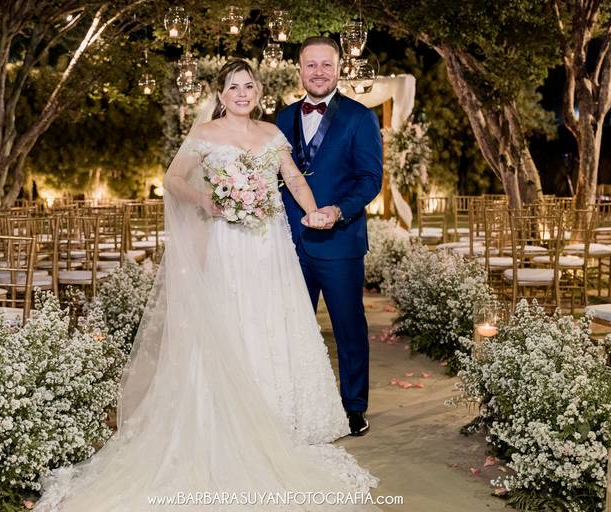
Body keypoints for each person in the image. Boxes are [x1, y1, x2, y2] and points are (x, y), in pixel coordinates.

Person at [33, 59, 378, 511]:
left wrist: (314, 211)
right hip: (226, 245)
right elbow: (173, 180)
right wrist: (207, 199)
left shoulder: (272, 133)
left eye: (249, 86)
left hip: (270, 247)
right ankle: (229, 418)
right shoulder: (206, 135)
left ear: (259, 92)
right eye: (233, 87)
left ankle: (281, 418)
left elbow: (293, 179)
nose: (242, 93)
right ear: (220, 95)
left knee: (272, 321)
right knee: (231, 323)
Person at [276, 37, 383, 436]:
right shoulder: (282, 119)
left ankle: (354, 406)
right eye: (311, 65)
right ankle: (297, 405)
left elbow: (370, 179)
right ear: (299, 70)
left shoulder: (360, 117)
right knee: (291, 330)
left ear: (339, 69)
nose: (318, 72)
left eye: (326, 64)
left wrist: (338, 211)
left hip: (340, 242)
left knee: (348, 328)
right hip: (289, 244)